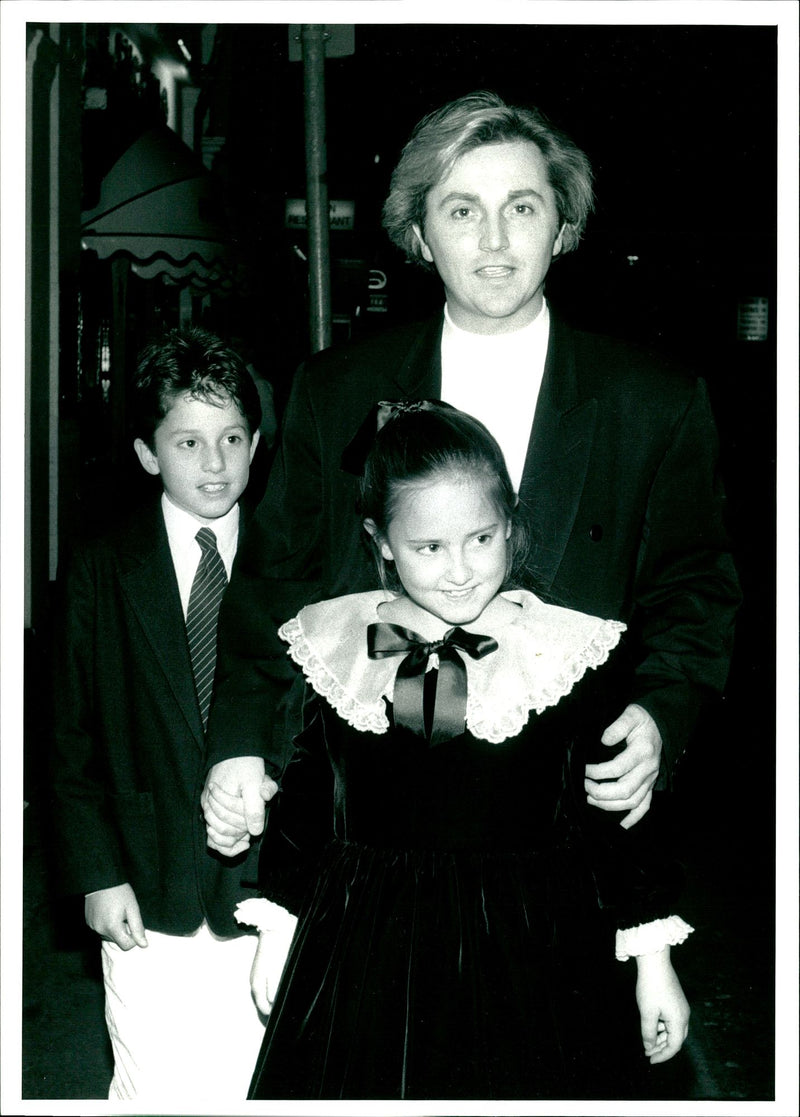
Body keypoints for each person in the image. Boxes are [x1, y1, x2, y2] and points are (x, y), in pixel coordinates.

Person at [201, 90, 740, 855]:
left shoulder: (653, 402)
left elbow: (694, 587)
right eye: (461, 210)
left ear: (563, 225)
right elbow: (273, 587)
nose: (494, 238)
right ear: (420, 234)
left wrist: (661, 714)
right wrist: (238, 743)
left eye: (521, 207)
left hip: (570, 823)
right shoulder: (337, 390)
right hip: (371, 828)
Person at [239, 401, 693, 1100]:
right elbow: (306, 805)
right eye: (429, 548)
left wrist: (653, 960)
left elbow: (616, 819)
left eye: (480, 538)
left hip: (531, 947)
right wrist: (279, 929)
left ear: (510, 526)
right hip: (368, 951)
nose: (459, 570)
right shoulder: (338, 648)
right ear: (381, 542)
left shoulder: (563, 653)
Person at [49, 328, 286, 1102]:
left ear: (256, 444)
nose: (215, 463)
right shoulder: (102, 566)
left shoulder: (291, 563)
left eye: (232, 439)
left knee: (261, 1080)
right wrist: (97, 872)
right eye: (188, 442)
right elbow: (69, 734)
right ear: (148, 454)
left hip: (265, 888)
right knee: (152, 1083)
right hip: (144, 888)